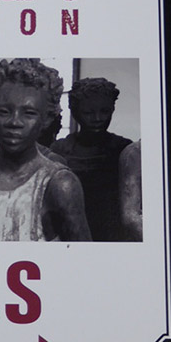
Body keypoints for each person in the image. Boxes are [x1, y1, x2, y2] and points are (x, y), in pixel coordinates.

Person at [0, 59, 91, 242]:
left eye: (29, 113)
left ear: (46, 119)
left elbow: (84, 260)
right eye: (3, 112)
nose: (14, 123)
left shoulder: (59, 184)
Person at [52, 77, 134, 241]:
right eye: (88, 113)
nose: (97, 118)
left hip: (113, 236)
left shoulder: (124, 149)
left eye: (104, 111)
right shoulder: (59, 150)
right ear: (75, 112)